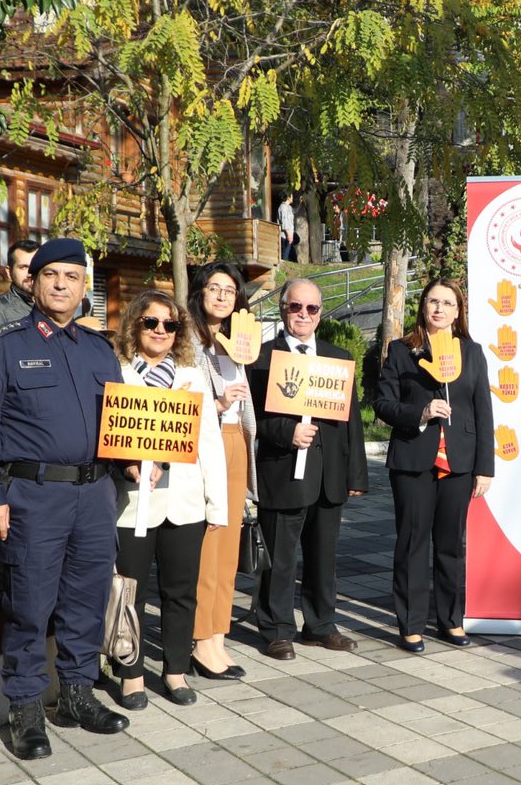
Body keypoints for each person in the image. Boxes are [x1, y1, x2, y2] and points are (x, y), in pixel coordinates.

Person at [0, 238, 129, 759]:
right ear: (32, 282)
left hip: (95, 494)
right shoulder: (2, 346)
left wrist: (135, 458)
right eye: (51, 275)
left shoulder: (99, 350)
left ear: (84, 289)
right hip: (34, 495)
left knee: (86, 599)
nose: (62, 285)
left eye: (72, 277)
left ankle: (78, 694)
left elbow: (121, 423)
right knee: (29, 604)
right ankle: (26, 707)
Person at [106, 289, 226, 708]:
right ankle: (131, 674)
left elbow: (209, 440)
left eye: (170, 324)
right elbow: (106, 434)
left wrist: (217, 503)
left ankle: (175, 670)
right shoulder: (117, 371)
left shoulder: (192, 374)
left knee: (181, 591)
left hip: (185, 503)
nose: (161, 330)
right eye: (151, 322)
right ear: (135, 324)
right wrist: (127, 464)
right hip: (133, 503)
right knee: (130, 592)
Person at [250, 279, 367, 659]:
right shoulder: (261, 358)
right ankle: (276, 629)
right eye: (295, 306)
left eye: (311, 308)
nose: (303, 314)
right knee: (280, 559)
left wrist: (356, 475)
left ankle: (320, 626)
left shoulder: (337, 358)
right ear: (283, 308)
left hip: (328, 478)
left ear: (320, 313)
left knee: (323, 558)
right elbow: (250, 419)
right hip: (282, 473)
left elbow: (351, 423)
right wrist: (286, 433)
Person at [377, 278, 494, 653]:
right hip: (414, 460)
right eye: (433, 301)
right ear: (423, 306)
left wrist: (485, 467)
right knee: (412, 543)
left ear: (458, 312)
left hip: (459, 462)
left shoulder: (471, 352)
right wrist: (421, 412)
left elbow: (483, 411)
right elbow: (383, 404)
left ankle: (450, 620)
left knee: (451, 545)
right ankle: (410, 624)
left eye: (447, 303)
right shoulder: (401, 351)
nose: (439, 309)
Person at [187, 261, 258, 680]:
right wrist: (217, 404)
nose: (222, 296)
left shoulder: (238, 341)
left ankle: (218, 635)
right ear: (200, 292)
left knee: (229, 548)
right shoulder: (187, 340)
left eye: (229, 291)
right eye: (214, 288)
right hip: (204, 444)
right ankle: (200, 641)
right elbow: (179, 400)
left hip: (235, 442)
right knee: (208, 546)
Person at [0, 237, 40, 340]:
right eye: (23, 267)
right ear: (9, 273)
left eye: (35, 267)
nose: (30, 274)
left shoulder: (50, 306)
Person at [277, 194, 297, 263]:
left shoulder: (289, 207)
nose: (292, 198)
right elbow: (284, 221)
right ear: (288, 197)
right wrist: (288, 234)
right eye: (292, 196)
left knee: (293, 257)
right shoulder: (283, 207)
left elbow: (294, 211)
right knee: (285, 257)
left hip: (290, 234)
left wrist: (300, 203)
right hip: (285, 235)